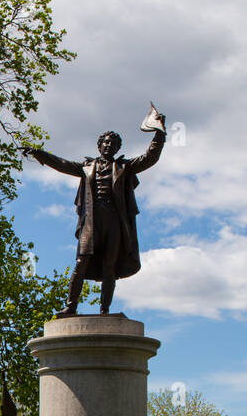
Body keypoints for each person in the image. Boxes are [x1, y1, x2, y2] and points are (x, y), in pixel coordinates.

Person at [26, 115, 166, 315]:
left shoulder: (125, 167)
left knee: (110, 265)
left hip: (115, 221)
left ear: (117, 148)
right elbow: (63, 164)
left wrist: (159, 135)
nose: (108, 145)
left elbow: (149, 157)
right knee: (81, 262)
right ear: (99, 146)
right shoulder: (86, 167)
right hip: (91, 221)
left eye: (113, 143)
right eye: (105, 142)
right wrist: (40, 154)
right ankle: (70, 306)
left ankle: (104, 310)